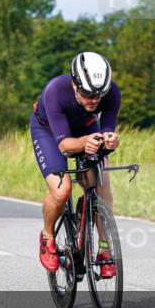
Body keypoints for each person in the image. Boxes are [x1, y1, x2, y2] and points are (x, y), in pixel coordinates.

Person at [30, 52, 121, 273]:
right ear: (74, 84)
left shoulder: (111, 93)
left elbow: (107, 126)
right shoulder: (56, 91)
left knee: (102, 186)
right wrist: (85, 143)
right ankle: (47, 236)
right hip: (50, 132)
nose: (94, 100)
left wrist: (110, 138)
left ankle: (104, 247)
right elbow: (65, 146)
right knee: (62, 190)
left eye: (99, 94)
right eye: (87, 93)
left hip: (85, 127)